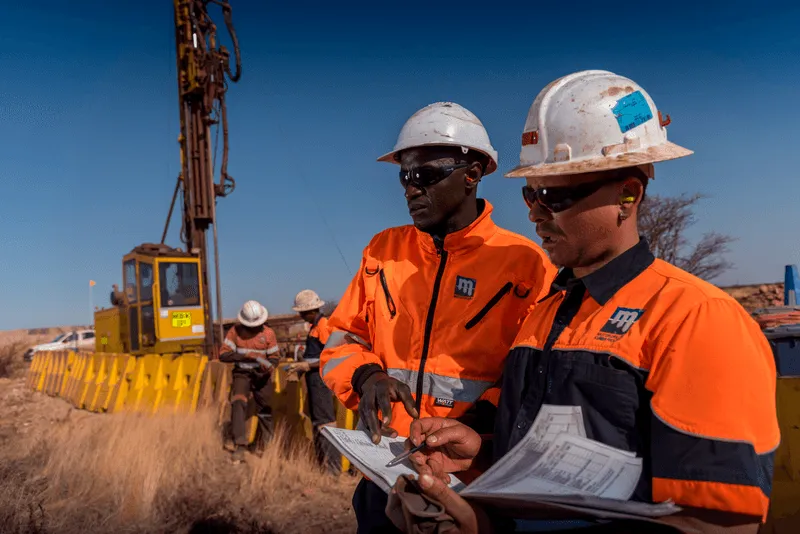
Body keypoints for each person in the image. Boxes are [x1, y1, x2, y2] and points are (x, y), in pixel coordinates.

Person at [400, 70, 781, 533]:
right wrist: (482, 448)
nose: (535, 214)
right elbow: (548, 460)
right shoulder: (545, 314)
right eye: (529, 194)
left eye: (553, 195)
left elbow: (717, 525)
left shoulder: (696, 320)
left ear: (628, 194)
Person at [320, 101, 557, 533]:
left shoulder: (525, 264)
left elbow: (534, 375)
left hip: (476, 480)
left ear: (472, 175)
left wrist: (473, 429)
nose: (411, 189)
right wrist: (366, 377)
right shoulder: (382, 252)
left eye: (426, 175)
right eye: (404, 176)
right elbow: (341, 338)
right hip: (388, 471)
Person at [285, 289, 340, 472]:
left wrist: (307, 366)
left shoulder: (323, 326)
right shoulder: (314, 328)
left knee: (326, 423)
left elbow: (331, 357)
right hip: (314, 380)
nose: (300, 315)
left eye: (301, 312)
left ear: (310, 311)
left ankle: (332, 469)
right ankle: (323, 466)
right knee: (318, 423)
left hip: (321, 381)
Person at [219, 299, 280, 463]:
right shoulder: (235, 332)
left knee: (265, 408)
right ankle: (240, 445)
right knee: (238, 403)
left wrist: (269, 367)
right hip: (242, 373)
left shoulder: (268, 334)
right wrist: (244, 356)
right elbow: (223, 355)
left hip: (262, 375)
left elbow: (275, 358)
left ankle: (267, 445)